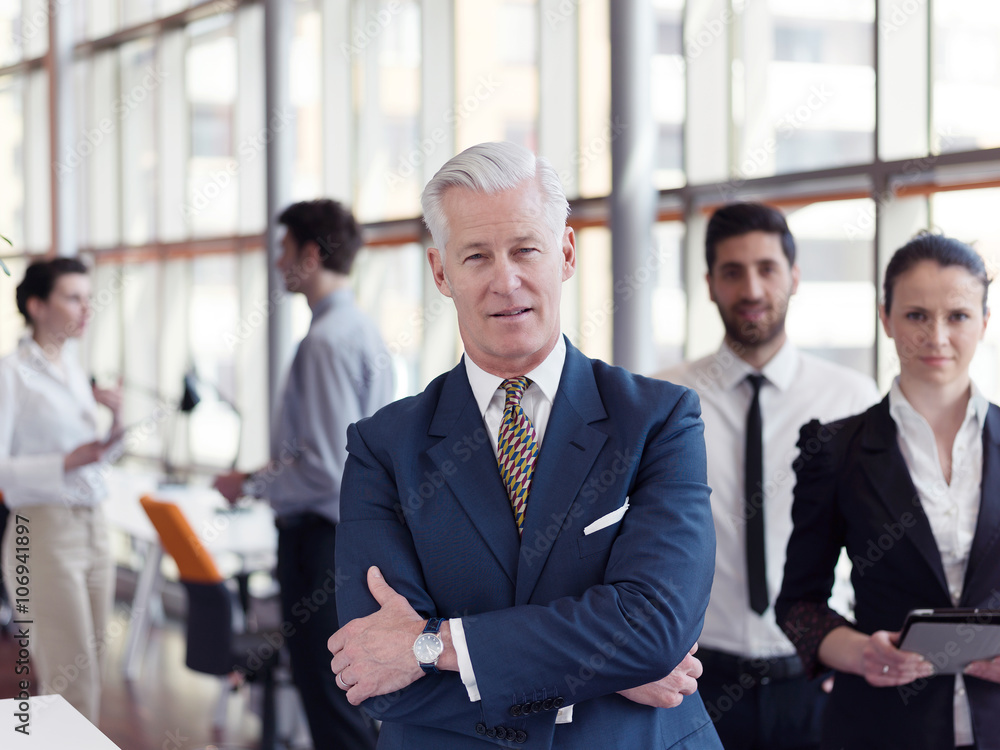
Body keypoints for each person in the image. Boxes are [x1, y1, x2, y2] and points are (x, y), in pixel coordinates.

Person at [327, 142, 722, 749]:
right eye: (476, 256)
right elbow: (377, 674)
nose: (504, 280)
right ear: (441, 272)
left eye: (525, 249)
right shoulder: (383, 447)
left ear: (564, 253)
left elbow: (656, 629)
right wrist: (606, 671)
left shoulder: (659, 420)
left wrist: (429, 645)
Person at [657, 203, 878, 749]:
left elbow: (876, 540)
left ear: (794, 276)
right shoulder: (663, 401)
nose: (751, 287)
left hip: (817, 678)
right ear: (709, 284)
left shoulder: (853, 400)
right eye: (732, 272)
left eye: (767, 268)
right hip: (698, 683)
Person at [776, 233, 1000, 750]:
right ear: (886, 318)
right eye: (917, 315)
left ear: (985, 322)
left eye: (958, 316)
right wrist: (859, 653)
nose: (937, 336)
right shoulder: (835, 449)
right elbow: (798, 604)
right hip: (882, 726)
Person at [213, 199, 392, 750]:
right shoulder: (361, 331)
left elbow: (322, 469)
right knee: (347, 694)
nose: (276, 262)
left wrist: (248, 484)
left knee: (328, 694)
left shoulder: (323, 343)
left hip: (319, 544)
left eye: (284, 250)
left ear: (311, 255)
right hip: (351, 540)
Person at [0, 257, 123, 722]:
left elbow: (88, 459)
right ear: (36, 305)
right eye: (73, 297)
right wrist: (67, 461)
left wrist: (114, 429)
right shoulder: (10, 373)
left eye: (88, 298)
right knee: (72, 682)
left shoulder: (74, 369)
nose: (86, 309)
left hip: (93, 526)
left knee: (92, 671)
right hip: (43, 533)